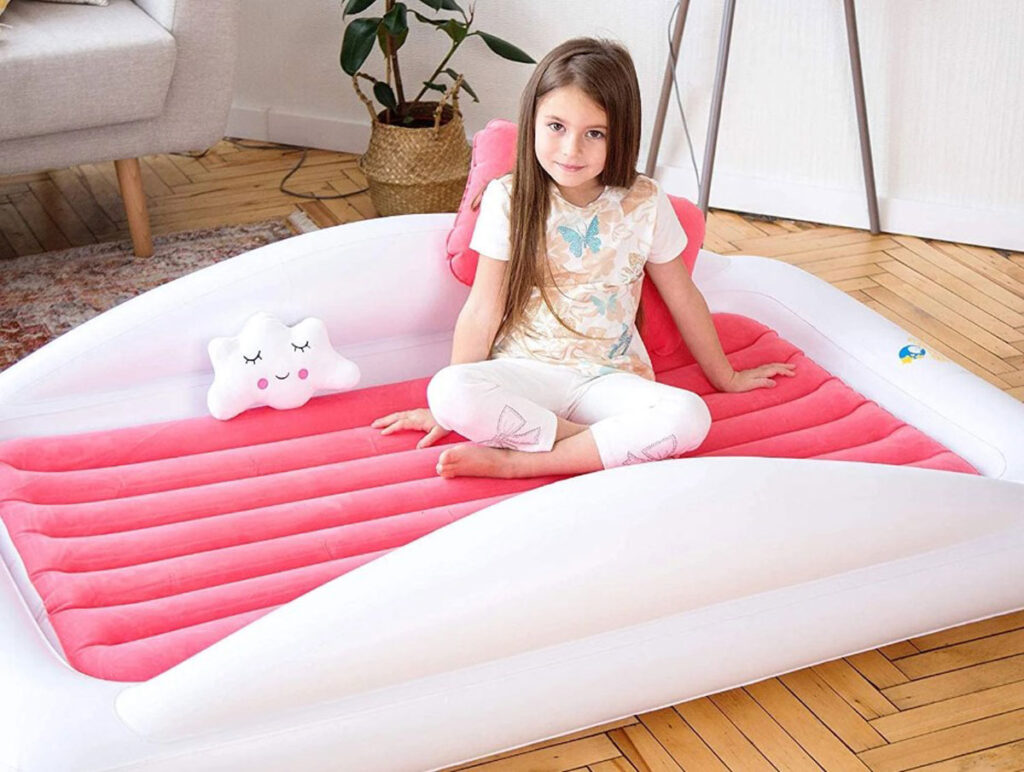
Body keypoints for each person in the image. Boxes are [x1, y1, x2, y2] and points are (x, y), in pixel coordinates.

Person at [372, 37, 795, 479]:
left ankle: (521, 462)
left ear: (621, 135)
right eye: (556, 126)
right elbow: (483, 308)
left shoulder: (644, 202)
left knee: (690, 416)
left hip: (609, 380)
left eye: (594, 133)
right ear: (532, 119)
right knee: (449, 390)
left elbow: (683, 295)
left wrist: (724, 377)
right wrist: (448, 414)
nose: (571, 150)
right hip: (524, 373)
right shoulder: (508, 198)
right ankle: (590, 441)